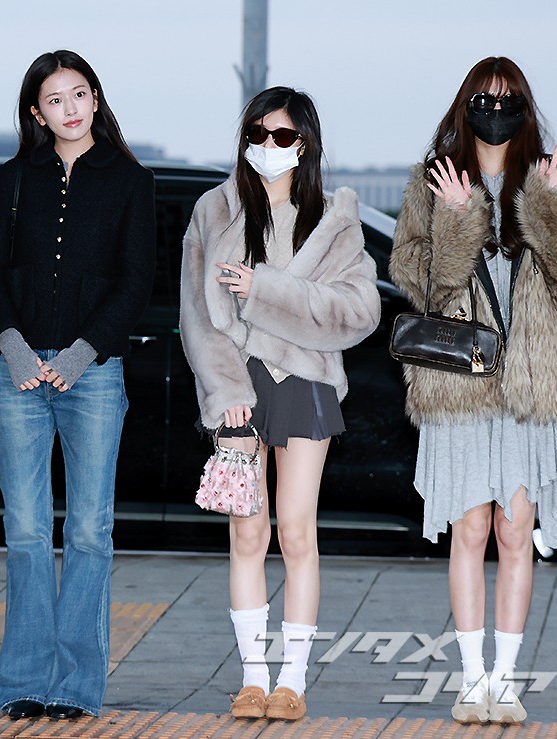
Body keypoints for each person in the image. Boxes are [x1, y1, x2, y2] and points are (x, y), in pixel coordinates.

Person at [389, 57, 557, 724]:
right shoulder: (433, 179)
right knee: (469, 528)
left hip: (531, 382)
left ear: (525, 107)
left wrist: (555, 205)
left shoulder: (552, 175)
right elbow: (420, 283)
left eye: (507, 98)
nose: (495, 109)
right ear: (465, 106)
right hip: (460, 383)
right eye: (483, 98)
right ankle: (471, 679)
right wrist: (456, 218)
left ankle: (506, 682)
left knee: (516, 533)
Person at [179, 86, 380, 722]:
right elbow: (197, 316)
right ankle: (252, 677)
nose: (268, 146)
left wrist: (264, 290)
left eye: (284, 136)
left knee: (296, 530)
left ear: (306, 144)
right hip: (238, 384)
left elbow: (359, 312)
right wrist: (225, 393)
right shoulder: (214, 211)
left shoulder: (333, 219)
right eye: (257, 134)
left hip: (305, 379)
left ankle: (292, 679)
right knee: (247, 531)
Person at [0, 51, 155, 720]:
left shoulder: (131, 181)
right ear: (36, 112)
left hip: (94, 376)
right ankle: (24, 680)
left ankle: (76, 685)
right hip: (15, 376)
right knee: (25, 530)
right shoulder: (14, 177)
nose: (71, 108)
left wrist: (81, 354)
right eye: (56, 99)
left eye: (80, 93)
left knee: (87, 531)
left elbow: (137, 281)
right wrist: (15, 348)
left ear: (96, 99)